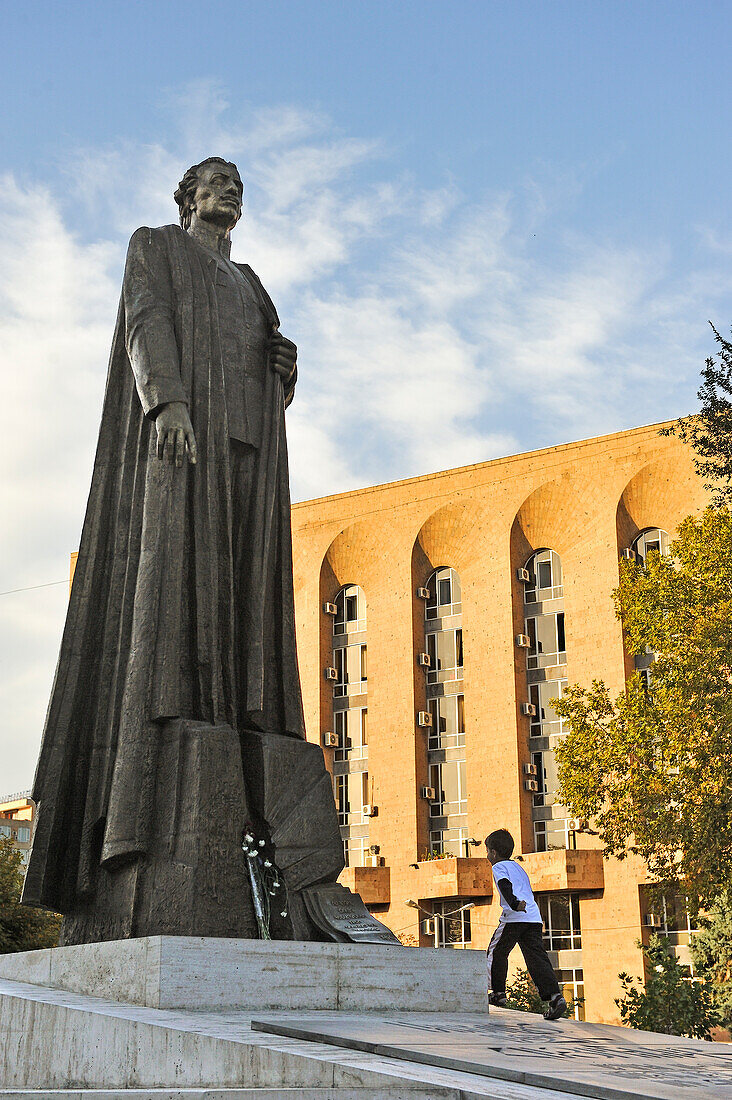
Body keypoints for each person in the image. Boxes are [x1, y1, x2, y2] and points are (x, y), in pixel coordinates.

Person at [22, 157, 315, 941]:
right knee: (173, 587)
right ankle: (172, 722)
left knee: (242, 597)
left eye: (238, 183)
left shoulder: (251, 283)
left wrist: (284, 376)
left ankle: (234, 712)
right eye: (216, 180)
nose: (231, 190)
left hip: (250, 448)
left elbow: (267, 358)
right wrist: (167, 401)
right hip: (184, 439)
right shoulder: (154, 244)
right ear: (188, 198)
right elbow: (144, 321)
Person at [485, 828, 567, 1021]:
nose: (487, 856)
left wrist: (513, 904)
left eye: (487, 852)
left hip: (514, 916)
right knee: (537, 958)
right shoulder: (518, 867)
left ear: (494, 853)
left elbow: (505, 886)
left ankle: (497, 993)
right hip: (533, 918)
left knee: (496, 952)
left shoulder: (498, 867)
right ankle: (555, 997)